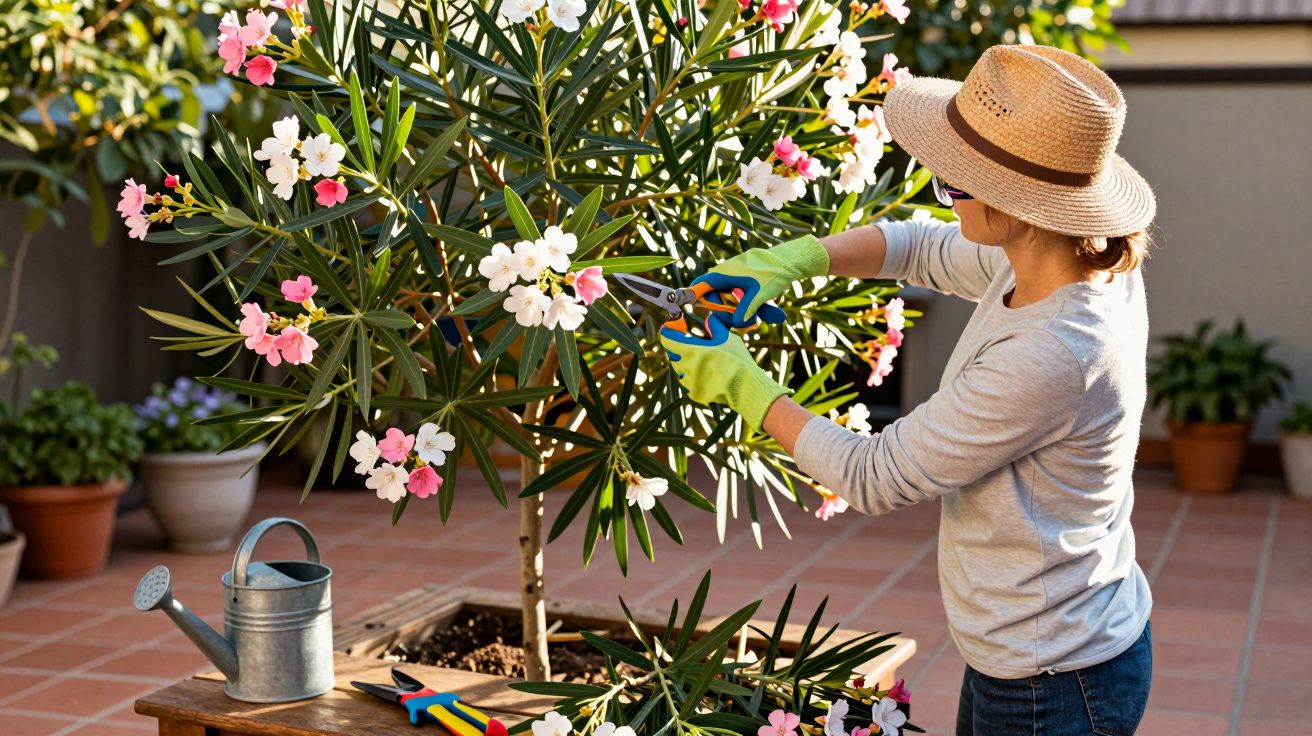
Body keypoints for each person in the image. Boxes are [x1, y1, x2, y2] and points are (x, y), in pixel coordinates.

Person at [661, 44, 1156, 734]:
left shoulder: (1054, 351)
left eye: (955, 185)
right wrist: (791, 262)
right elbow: (916, 247)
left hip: (1054, 677)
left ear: (1018, 204)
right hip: (1036, 648)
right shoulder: (1067, 255)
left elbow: (874, 475)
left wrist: (738, 381)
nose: (943, 195)